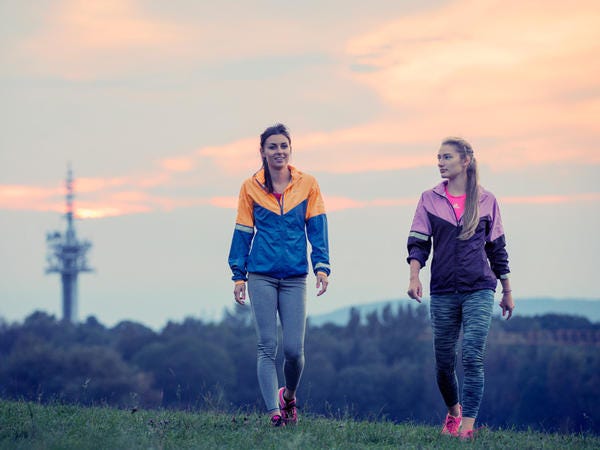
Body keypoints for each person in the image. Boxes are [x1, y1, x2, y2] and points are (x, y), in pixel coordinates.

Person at [406, 137, 514, 440]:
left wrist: (506, 290)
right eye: (438, 157)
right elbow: (417, 242)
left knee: (472, 356)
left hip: (479, 288)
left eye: (447, 157)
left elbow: (498, 250)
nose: (440, 162)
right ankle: (453, 412)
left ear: (465, 161)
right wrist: (414, 277)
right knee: (443, 363)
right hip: (442, 290)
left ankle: (467, 426)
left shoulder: (486, 200)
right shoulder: (429, 199)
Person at [228, 123, 331, 427]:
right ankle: (274, 413)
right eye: (272, 147)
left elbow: (318, 227)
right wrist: (238, 275)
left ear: (290, 149)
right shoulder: (250, 187)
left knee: (294, 352)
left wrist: (322, 266)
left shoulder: (308, 184)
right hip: (261, 274)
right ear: (262, 151)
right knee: (266, 346)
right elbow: (243, 232)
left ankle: (289, 397)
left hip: (295, 277)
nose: (279, 152)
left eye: (283, 146)